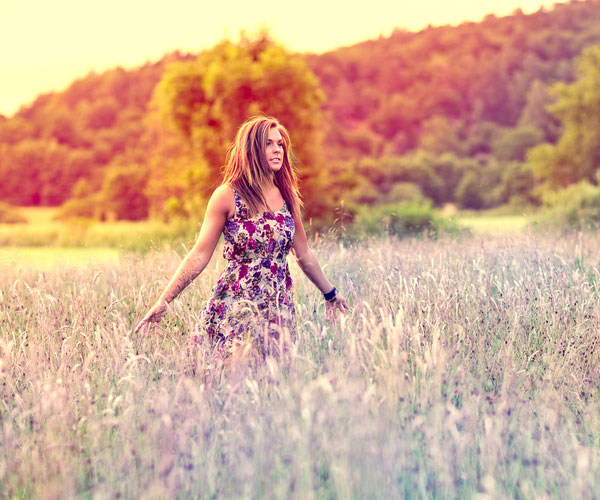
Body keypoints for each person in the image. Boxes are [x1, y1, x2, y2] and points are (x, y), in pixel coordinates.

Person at [134, 116, 348, 355]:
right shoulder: (227, 196)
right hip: (236, 304)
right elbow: (200, 253)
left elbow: (304, 254)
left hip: (278, 306)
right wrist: (164, 300)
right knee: (229, 379)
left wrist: (330, 293)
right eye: (268, 143)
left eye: (280, 144)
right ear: (252, 149)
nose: (277, 149)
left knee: (272, 383)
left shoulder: (288, 197)